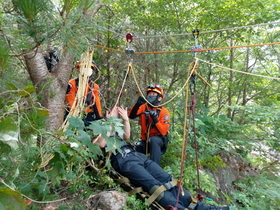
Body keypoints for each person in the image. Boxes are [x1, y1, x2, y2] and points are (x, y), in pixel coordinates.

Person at [94, 106, 230, 210]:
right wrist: (108, 122)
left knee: (169, 180)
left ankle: (203, 207)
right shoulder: (100, 129)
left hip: (137, 156)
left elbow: (126, 136)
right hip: (124, 161)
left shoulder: (115, 129)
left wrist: (124, 119)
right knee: (154, 185)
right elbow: (100, 144)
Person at [128, 83, 170, 165]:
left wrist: (155, 119)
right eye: (149, 94)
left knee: (153, 140)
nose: (151, 95)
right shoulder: (143, 107)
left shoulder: (164, 112)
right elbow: (131, 116)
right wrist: (137, 105)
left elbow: (163, 132)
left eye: (154, 94)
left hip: (158, 140)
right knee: (134, 149)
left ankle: (155, 169)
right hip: (145, 140)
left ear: (160, 98)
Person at [65, 61, 102, 126]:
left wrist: (99, 118)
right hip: (74, 116)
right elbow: (71, 102)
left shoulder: (94, 86)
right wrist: (76, 116)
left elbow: (97, 103)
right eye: (84, 67)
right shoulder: (72, 83)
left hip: (89, 116)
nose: (87, 69)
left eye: (89, 67)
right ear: (79, 69)